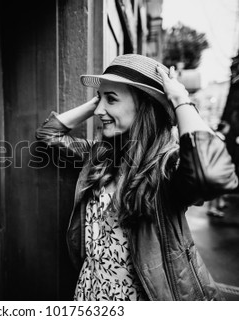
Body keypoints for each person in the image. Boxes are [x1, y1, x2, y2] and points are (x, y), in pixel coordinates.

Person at [36, 54, 238, 301]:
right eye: (101, 99)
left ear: (144, 105)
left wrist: (179, 100)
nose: (100, 110)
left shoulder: (167, 165)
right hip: (90, 295)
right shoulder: (99, 156)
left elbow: (213, 174)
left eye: (112, 99)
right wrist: (98, 101)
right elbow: (48, 135)